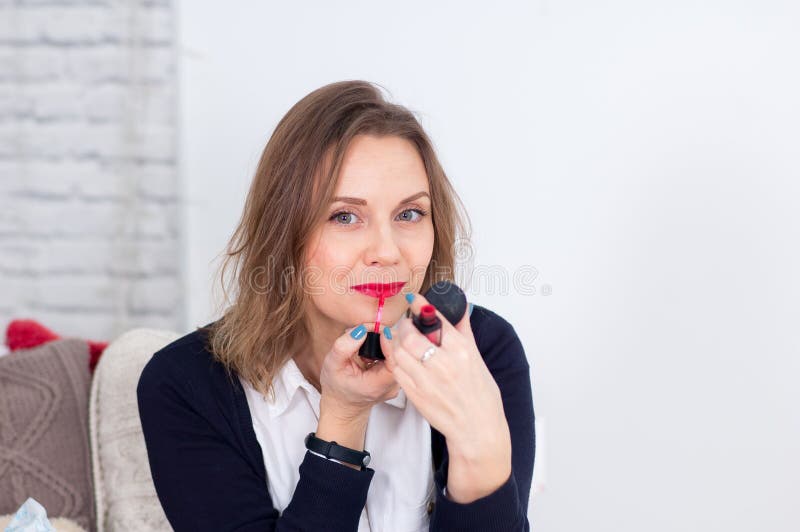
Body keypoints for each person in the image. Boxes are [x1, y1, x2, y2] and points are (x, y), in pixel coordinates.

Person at [136, 80, 535, 531]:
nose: (387, 252)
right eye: (345, 216)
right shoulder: (185, 384)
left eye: (409, 214)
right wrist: (342, 422)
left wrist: (478, 439)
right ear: (284, 233)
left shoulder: (483, 351)